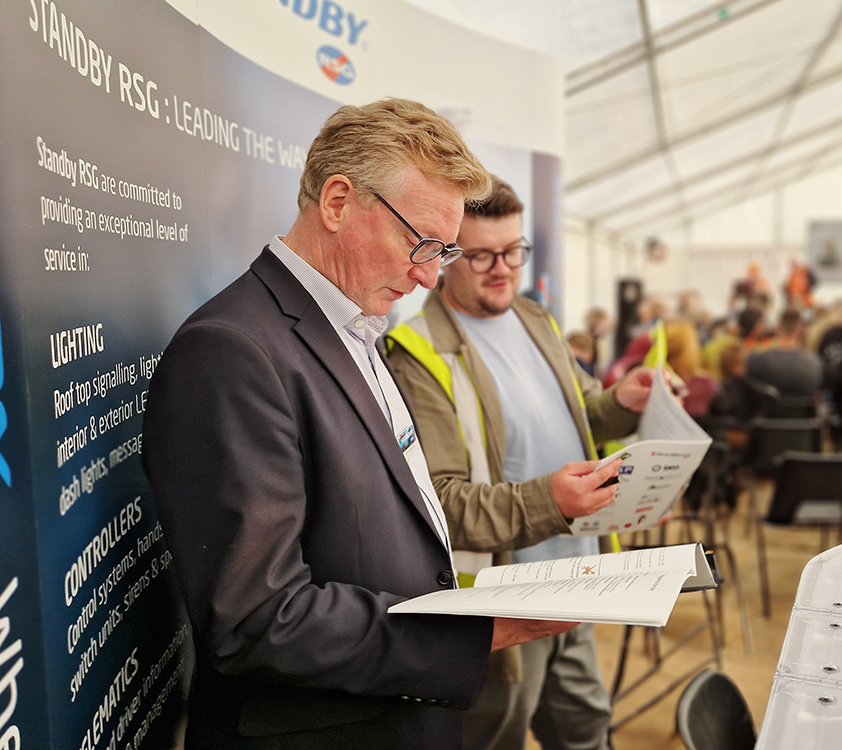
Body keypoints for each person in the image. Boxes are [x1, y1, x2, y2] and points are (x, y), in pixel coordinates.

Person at [141, 99, 575, 750]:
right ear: (339, 202)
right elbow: (258, 618)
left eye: (444, 250)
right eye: (421, 243)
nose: (430, 274)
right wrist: (468, 629)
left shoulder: (355, 325)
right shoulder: (232, 352)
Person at [387, 176, 655, 750]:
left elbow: (582, 412)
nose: (503, 269)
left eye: (513, 252)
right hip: (502, 603)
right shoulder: (418, 353)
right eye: (481, 255)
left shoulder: (537, 320)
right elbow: (440, 500)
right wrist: (549, 502)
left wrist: (622, 402)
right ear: (445, 254)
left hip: (581, 577)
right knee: (495, 734)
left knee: (586, 729)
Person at [746, 309, 823, 399]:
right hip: (801, 413)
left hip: (768, 412)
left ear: (778, 328)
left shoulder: (754, 361)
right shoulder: (815, 365)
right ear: (801, 332)